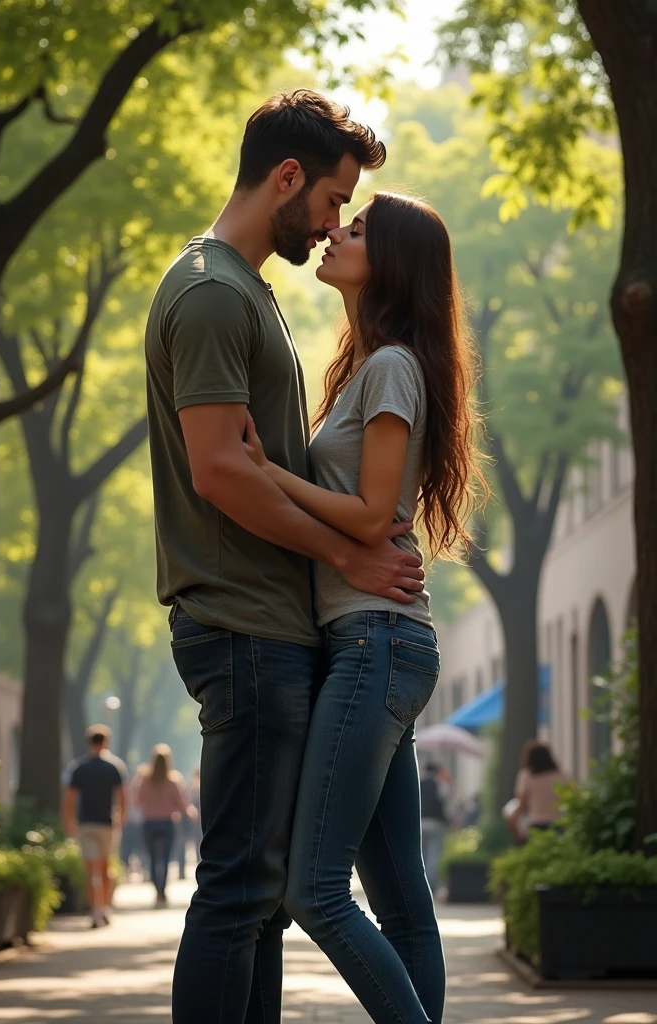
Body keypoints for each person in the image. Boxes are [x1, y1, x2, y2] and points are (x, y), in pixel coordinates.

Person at [146, 90, 425, 1024]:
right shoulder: (215, 291)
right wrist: (345, 561)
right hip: (243, 624)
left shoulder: (247, 292)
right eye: (335, 200)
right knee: (240, 894)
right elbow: (223, 471)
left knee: (262, 898)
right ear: (289, 178)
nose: (336, 221)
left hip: (271, 627)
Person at [244, 191, 485, 1023]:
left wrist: (266, 473)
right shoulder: (370, 365)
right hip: (382, 643)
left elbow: (376, 512)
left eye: (356, 228)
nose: (334, 231)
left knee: (315, 890)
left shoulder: (390, 368)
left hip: (373, 642)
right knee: (403, 902)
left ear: (391, 263)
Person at [63, 724, 128, 929]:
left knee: (91, 870)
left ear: (89, 742)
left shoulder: (79, 767)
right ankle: (105, 907)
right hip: (107, 824)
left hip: (86, 824)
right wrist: (122, 817)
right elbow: (122, 795)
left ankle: (95, 912)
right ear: (106, 742)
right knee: (106, 866)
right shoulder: (114, 766)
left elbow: (70, 798)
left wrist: (69, 821)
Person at [136, 744, 197, 907]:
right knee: (166, 858)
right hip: (168, 822)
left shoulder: (144, 779)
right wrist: (189, 812)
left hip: (149, 823)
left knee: (153, 858)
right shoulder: (173, 780)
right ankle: (163, 890)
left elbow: (137, 800)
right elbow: (182, 804)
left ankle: (157, 890)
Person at [507, 740, 567, 841]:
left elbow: (522, 804)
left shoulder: (526, 777)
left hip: (537, 824)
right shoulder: (562, 777)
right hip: (560, 823)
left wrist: (513, 824)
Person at [420, 762, 450, 893]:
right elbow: (446, 802)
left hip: (421, 822)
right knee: (434, 855)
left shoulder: (419, 783)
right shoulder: (440, 784)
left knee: (422, 855)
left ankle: (420, 883)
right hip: (436, 823)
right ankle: (430, 886)